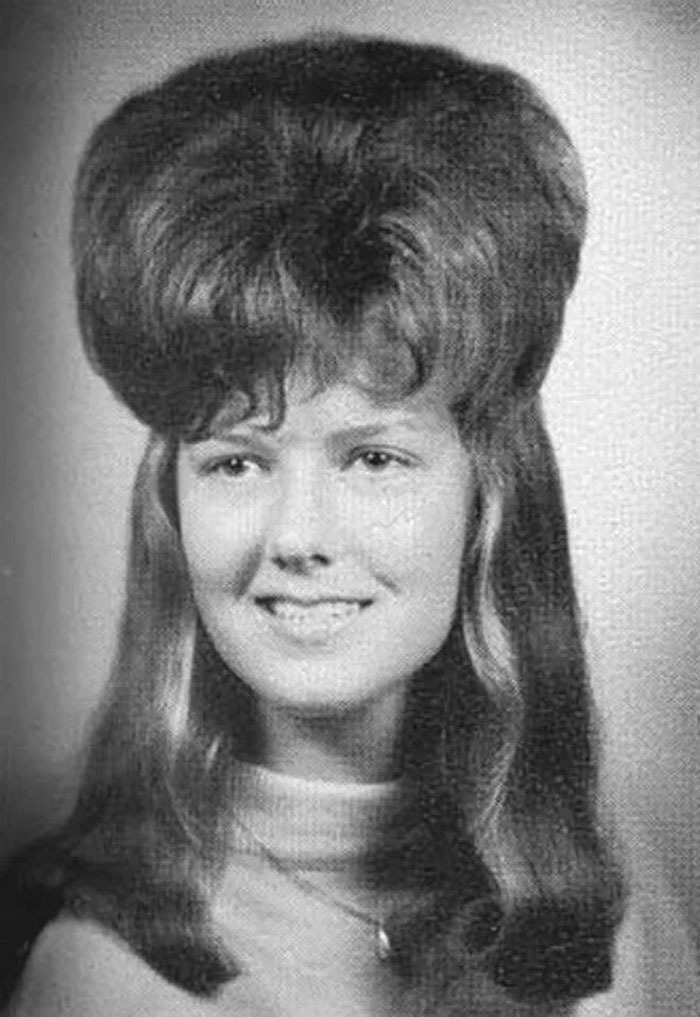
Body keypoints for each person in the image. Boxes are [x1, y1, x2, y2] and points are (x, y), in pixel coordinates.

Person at [2, 31, 696, 1017]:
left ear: (486, 497)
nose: (296, 536)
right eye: (236, 460)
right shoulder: (104, 978)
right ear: (169, 504)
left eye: (372, 458)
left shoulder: (600, 895)